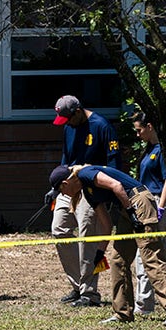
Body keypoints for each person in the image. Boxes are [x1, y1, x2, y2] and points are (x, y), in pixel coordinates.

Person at [47, 163, 166, 325]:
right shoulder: (88, 192)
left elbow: (116, 185)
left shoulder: (86, 173)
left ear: (65, 184)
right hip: (126, 207)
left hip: (138, 201)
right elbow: (107, 225)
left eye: (61, 191)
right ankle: (123, 313)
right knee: (117, 260)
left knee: (150, 256)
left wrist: (132, 213)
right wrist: (100, 254)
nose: (63, 195)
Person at [50, 95, 120, 308]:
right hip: (68, 185)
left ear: (78, 111)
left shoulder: (102, 126)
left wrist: (105, 193)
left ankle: (89, 294)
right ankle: (77, 285)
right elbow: (65, 158)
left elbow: (113, 164)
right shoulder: (68, 127)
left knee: (87, 239)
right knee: (59, 230)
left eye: (69, 118)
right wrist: (55, 188)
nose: (67, 123)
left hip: (91, 188)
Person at [131, 112, 166, 319]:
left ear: (150, 126)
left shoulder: (162, 150)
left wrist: (162, 205)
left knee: (147, 251)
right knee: (162, 251)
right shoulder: (148, 150)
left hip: (156, 200)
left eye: (139, 130)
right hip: (145, 201)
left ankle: (144, 303)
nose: (137, 134)